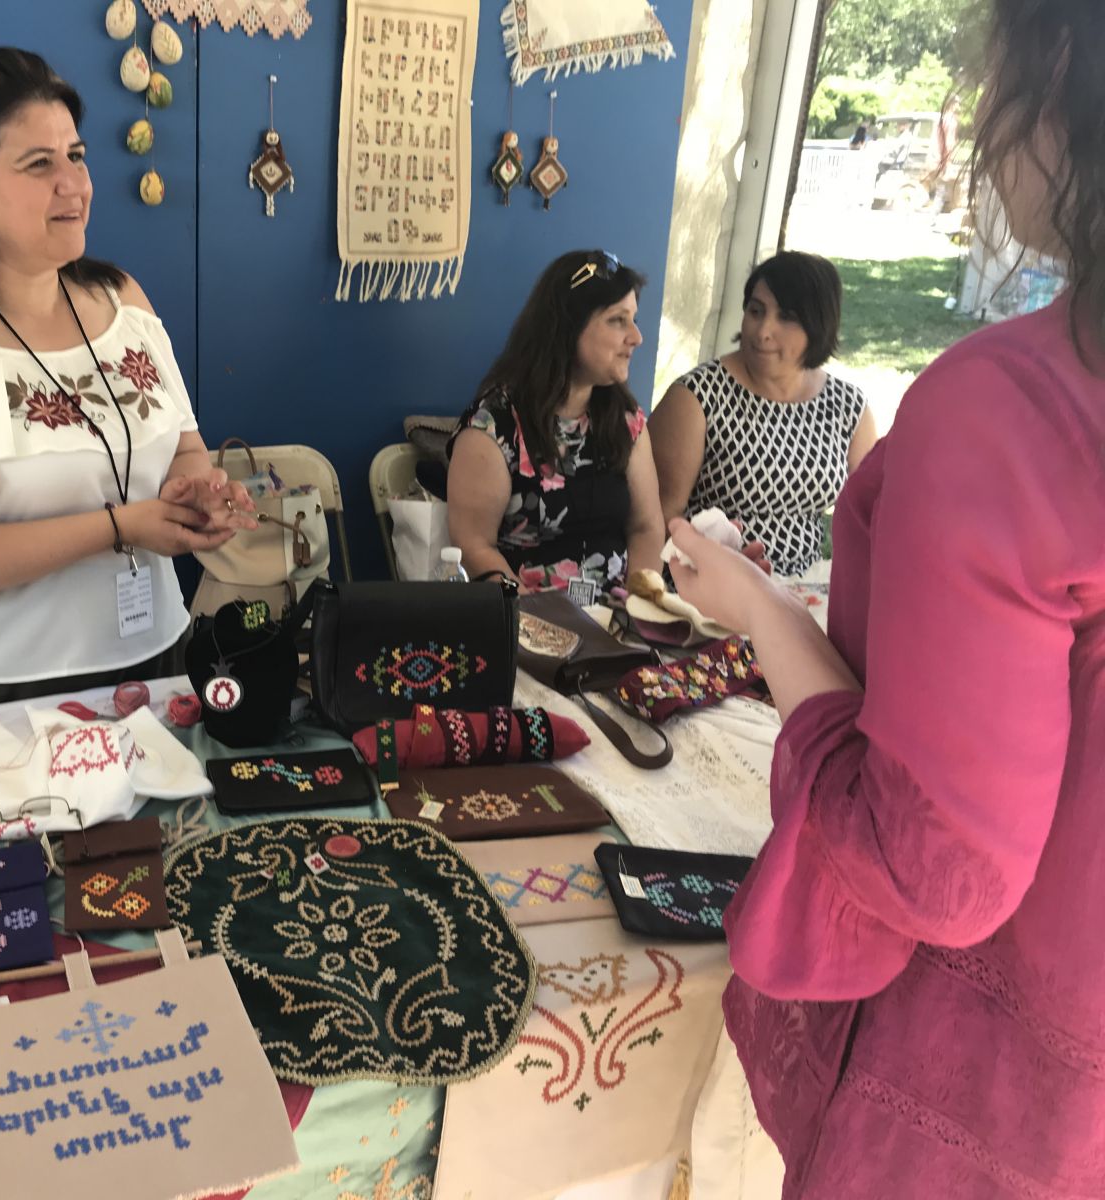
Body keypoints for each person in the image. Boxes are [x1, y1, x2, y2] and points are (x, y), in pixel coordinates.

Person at [667, 0, 1105, 1193]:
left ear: (1056, 76)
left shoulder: (1009, 411)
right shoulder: (702, 395)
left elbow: (937, 867)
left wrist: (763, 615)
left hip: (987, 1098)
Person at [0, 48, 254, 711]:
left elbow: (181, 442)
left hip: (154, 659)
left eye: (77, 155)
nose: (74, 184)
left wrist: (197, 491)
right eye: (39, 164)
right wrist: (123, 527)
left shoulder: (123, 299)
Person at [445, 250, 665, 592]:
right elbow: (474, 547)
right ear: (569, 327)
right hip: (528, 624)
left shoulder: (625, 419)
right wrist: (534, 627)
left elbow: (647, 528)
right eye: (618, 320)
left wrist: (643, 609)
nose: (636, 337)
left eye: (633, 319)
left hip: (620, 621)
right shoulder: (492, 429)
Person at [649, 251, 878, 576]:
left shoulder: (847, 407)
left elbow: (868, 519)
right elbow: (655, 518)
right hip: (710, 592)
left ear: (818, 324)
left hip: (805, 592)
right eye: (756, 311)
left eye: (786, 317)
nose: (762, 330)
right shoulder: (698, 396)